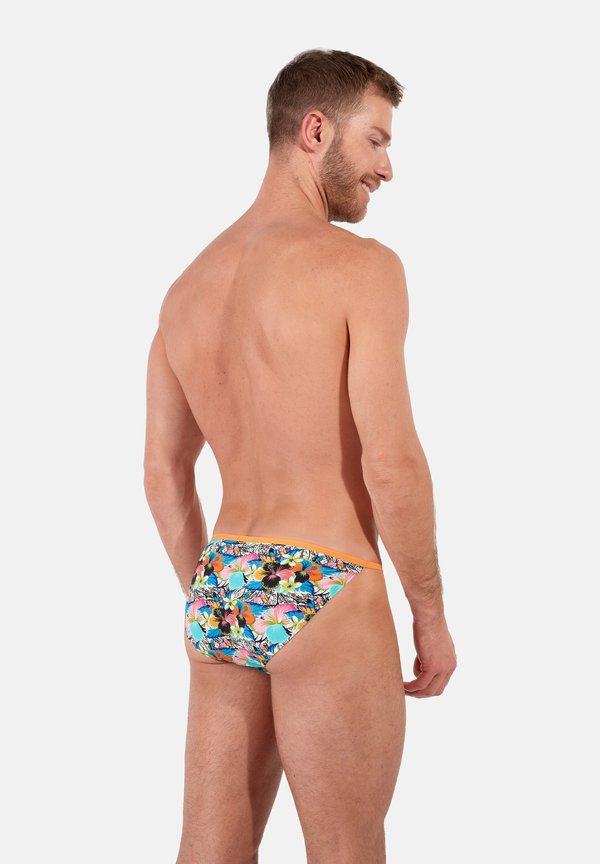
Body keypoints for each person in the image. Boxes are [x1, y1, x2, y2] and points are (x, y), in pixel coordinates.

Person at [144, 47, 457, 864]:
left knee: (208, 852)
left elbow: (163, 473)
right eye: (375, 140)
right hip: (326, 581)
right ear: (315, 131)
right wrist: (429, 613)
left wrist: (213, 597)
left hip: (226, 582)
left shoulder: (185, 290)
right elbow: (391, 462)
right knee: (347, 850)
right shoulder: (361, 269)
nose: (387, 168)